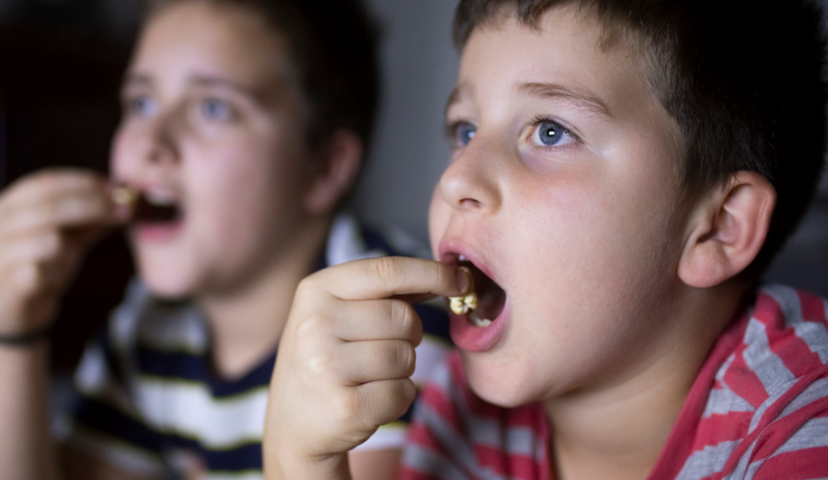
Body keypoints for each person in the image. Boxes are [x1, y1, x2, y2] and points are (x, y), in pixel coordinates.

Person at [262, 0, 828, 478]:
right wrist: (300, 462)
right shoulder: (460, 408)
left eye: (551, 131)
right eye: (465, 130)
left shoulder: (804, 418)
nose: (455, 178)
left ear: (718, 227)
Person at [0, 0, 452, 478]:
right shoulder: (151, 330)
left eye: (213, 108)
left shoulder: (390, 319)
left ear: (324, 168)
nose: (152, 141)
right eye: (141, 102)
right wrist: (11, 330)